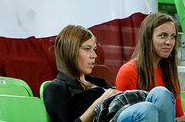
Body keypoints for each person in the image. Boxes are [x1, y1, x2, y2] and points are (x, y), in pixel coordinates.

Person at [43, 24, 175, 122]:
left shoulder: (97, 82)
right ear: (69, 52)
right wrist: (99, 102)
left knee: (161, 93)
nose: (94, 55)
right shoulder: (56, 88)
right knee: (146, 109)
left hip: (117, 114)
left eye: (94, 49)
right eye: (87, 49)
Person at [116, 13, 185, 120]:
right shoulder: (128, 71)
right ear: (148, 38)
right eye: (163, 36)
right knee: (149, 106)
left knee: (161, 94)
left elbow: (179, 117)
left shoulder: (170, 73)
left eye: (173, 37)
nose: (169, 42)